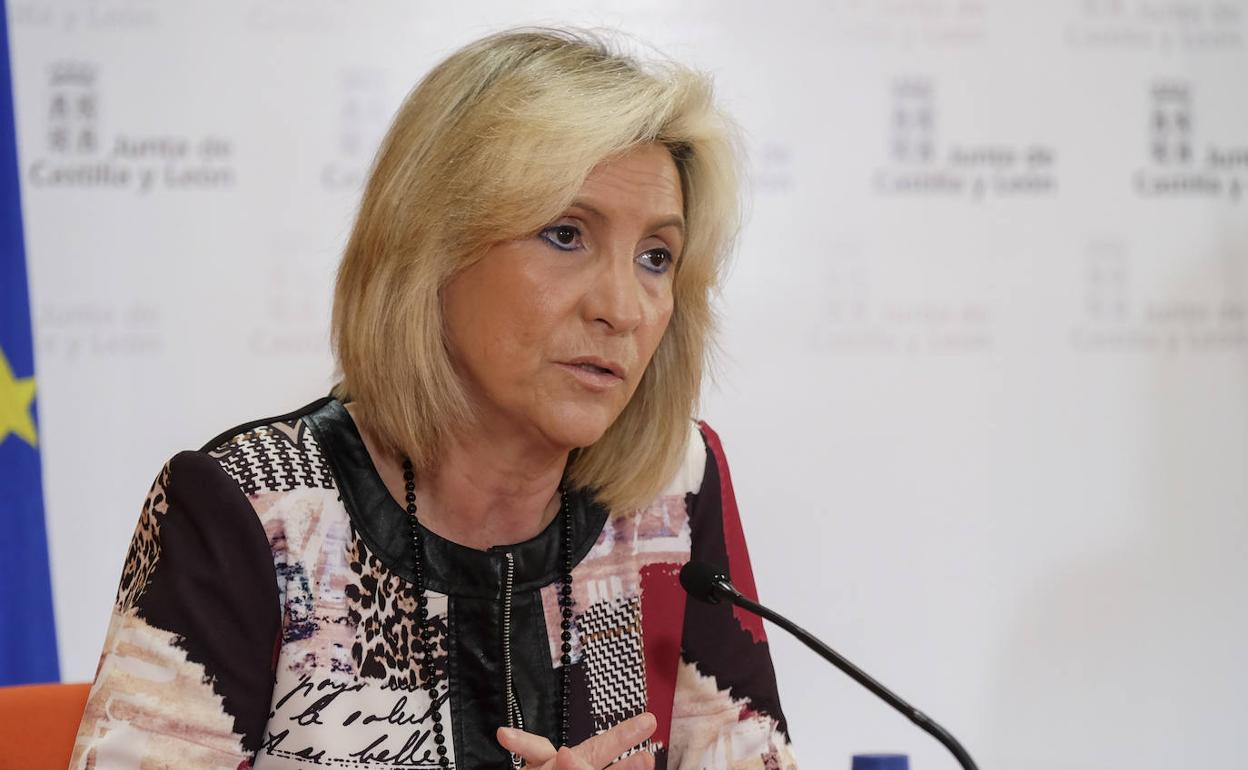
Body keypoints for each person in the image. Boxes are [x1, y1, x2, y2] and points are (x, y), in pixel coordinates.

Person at [71, 28, 797, 770]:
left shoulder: (675, 489)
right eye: (565, 234)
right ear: (432, 248)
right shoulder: (256, 507)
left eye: (656, 257)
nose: (623, 308)